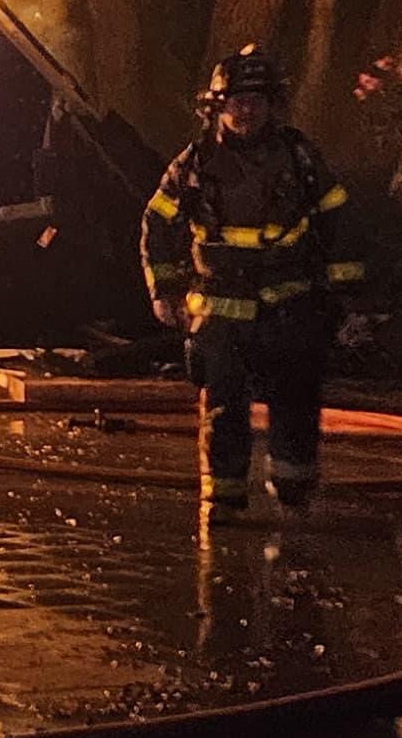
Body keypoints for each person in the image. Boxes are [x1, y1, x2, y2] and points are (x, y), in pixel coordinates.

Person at [140, 46, 365, 509]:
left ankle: (294, 499)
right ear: (217, 105)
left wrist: (348, 302)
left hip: (291, 308)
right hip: (221, 313)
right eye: (236, 101)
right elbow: (158, 223)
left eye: (256, 102)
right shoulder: (195, 163)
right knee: (223, 412)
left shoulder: (301, 158)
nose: (246, 111)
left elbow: (339, 223)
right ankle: (222, 506)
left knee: (296, 407)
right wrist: (163, 290)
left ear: (271, 106)